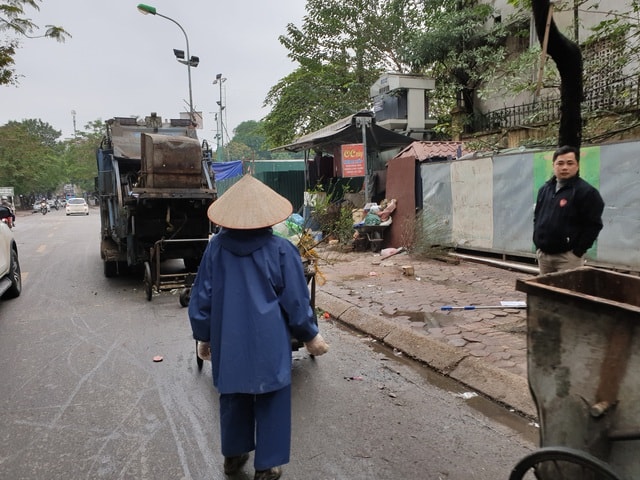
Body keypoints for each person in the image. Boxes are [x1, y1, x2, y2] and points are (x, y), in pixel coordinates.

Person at [188, 174, 329, 480]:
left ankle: (234, 455)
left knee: (233, 396)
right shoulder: (281, 250)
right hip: (270, 342)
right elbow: (295, 301)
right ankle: (267, 465)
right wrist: (309, 334)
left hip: (228, 340)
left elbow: (202, 298)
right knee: (272, 397)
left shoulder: (216, 249)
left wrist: (203, 336)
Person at [533, 145, 605, 275]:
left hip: (567, 258)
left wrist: (578, 252)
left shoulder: (586, 192)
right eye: (560, 163)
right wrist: (537, 243)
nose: (565, 167)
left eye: (570, 163)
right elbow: (537, 217)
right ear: (553, 165)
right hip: (544, 255)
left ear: (577, 166)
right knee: (545, 293)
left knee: (566, 293)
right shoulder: (545, 189)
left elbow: (594, 225)